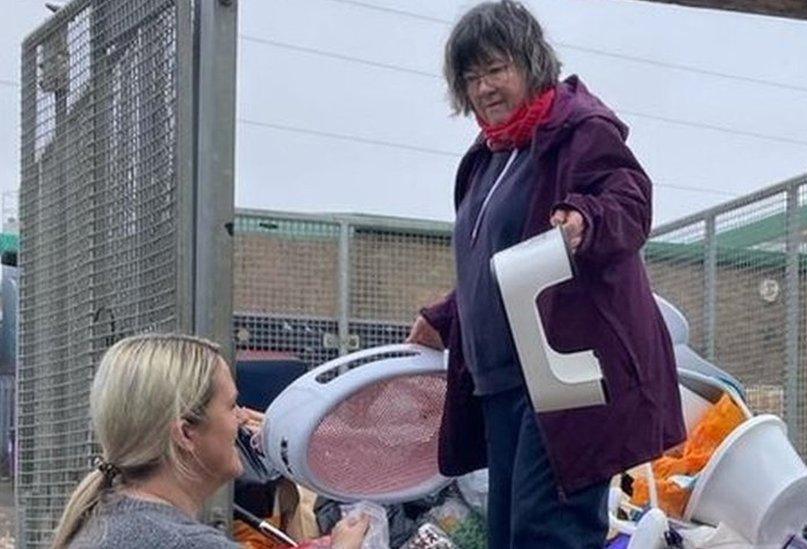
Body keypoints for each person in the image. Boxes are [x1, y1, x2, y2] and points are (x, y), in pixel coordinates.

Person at [407, 1, 686, 547]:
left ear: (531, 63)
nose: (483, 87)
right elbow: (499, 265)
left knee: (546, 532)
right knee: (511, 534)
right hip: (502, 382)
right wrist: (447, 314)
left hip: (564, 378)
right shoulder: (486, 159)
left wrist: (588, 219)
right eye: (471, 76)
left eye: (495, 69)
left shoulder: (578, 130)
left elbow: (629, 199)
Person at [53, 334, 368, 549]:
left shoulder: (104, 519)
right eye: (232, 406)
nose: (242, 419)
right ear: (186, 433)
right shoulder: (186, 542)